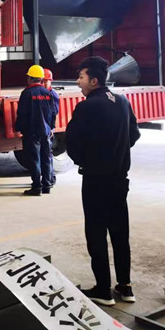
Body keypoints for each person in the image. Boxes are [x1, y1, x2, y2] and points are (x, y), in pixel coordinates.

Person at [66, 56, 140, 307]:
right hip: (119, 180)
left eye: (81, 77)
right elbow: (133, 134)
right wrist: (117, 151)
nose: (78, 82)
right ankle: (125, 286)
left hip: (96, 180)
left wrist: (88, 160)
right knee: (120, 233)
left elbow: (72, 142)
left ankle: (103, 290)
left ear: (94, 81)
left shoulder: (87, 107)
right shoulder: (122, 102)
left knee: (96, 234)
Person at [15, 64, 55, 196]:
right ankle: (47, 185)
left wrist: (18, 128)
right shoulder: (47, 93)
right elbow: (52, 113)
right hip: (46, 131)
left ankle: (37, 187)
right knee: (46, 158)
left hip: (32, 132)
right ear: (41, 79)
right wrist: (51, 127)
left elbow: (22, 113)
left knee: (35, 160)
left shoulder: (27, 93)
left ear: (30, 78)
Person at [43, 69, 59, 187]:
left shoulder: (52, 95)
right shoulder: (42, 94)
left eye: (46, 81)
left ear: (50, 81)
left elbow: (54, 113)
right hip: (44, 128)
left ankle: (51, 178)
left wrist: (51, 128)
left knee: (47, 155)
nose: (43, 84)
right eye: (41, 81)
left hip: (48, 128)